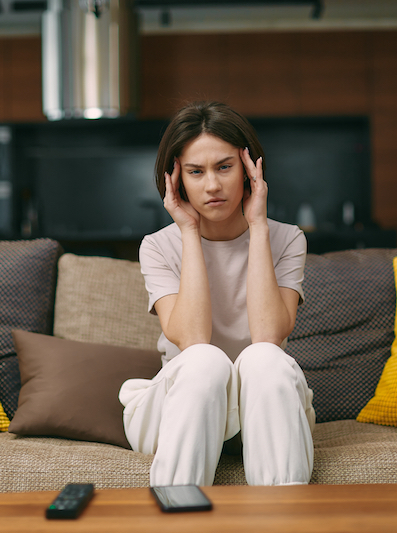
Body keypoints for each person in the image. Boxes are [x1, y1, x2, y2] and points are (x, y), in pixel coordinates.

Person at [119, 101, 316, 487]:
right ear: (176, 180)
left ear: (249, 170)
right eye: (196, 172)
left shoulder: (287, 238)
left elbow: (268, 335)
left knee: (263, 358)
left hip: (265, 408)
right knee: (204, 361)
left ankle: (281, 520)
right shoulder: (158, 246)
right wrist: (189, 232)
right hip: (183, 408)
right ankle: (177, 517)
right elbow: (192, 341)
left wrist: (257, 225)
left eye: (224, 167)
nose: (211, 185)